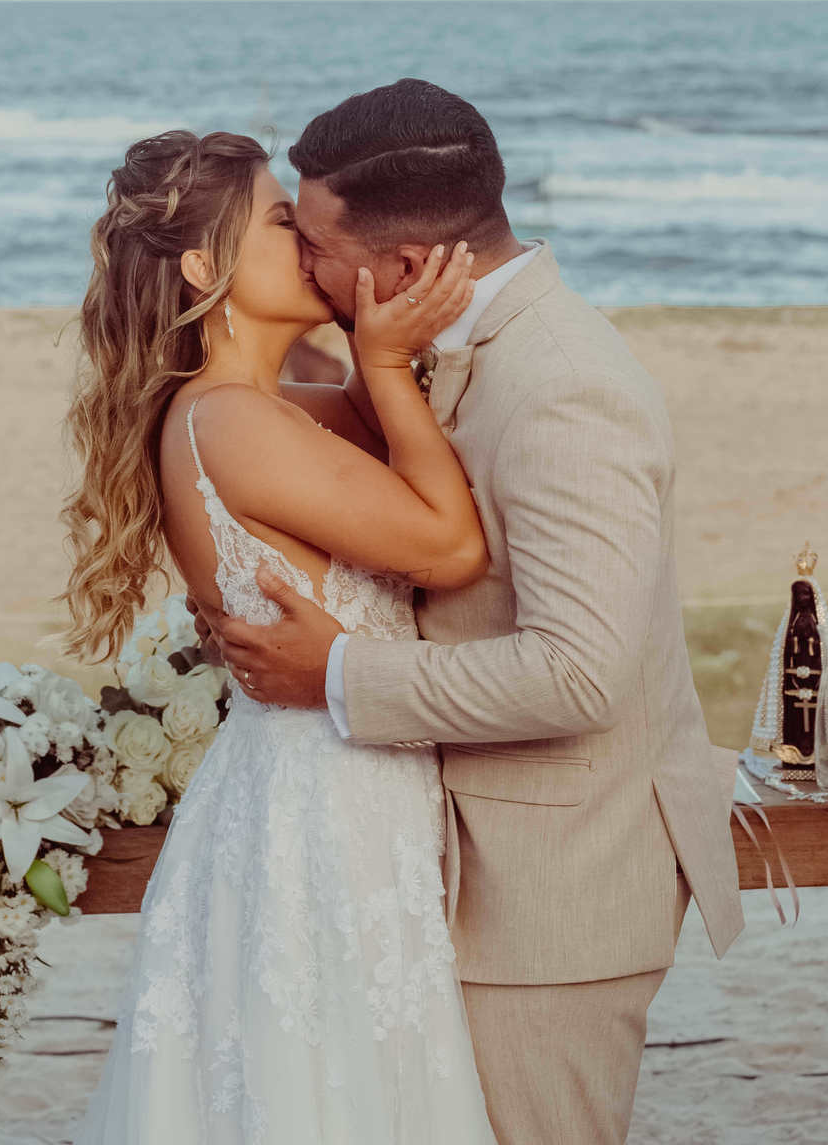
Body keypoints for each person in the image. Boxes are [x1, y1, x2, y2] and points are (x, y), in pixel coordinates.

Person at [202, 78, 745, 1145]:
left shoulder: (564, 387)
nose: (303, 264)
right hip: (441, 875)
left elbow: (579, 672)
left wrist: (337, 675)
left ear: (403, 269)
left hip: (555, 899)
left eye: (311, 243)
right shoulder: (424, 344)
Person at [61, 128, 500, 1145]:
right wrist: (387, 357)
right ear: (207, 267)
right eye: (281, 222)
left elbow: (363, 429)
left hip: (313, 781)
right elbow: (449, 545)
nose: (307, 241)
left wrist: (366, 347)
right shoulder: (233, 421)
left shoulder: (255, 406)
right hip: (323, 796)